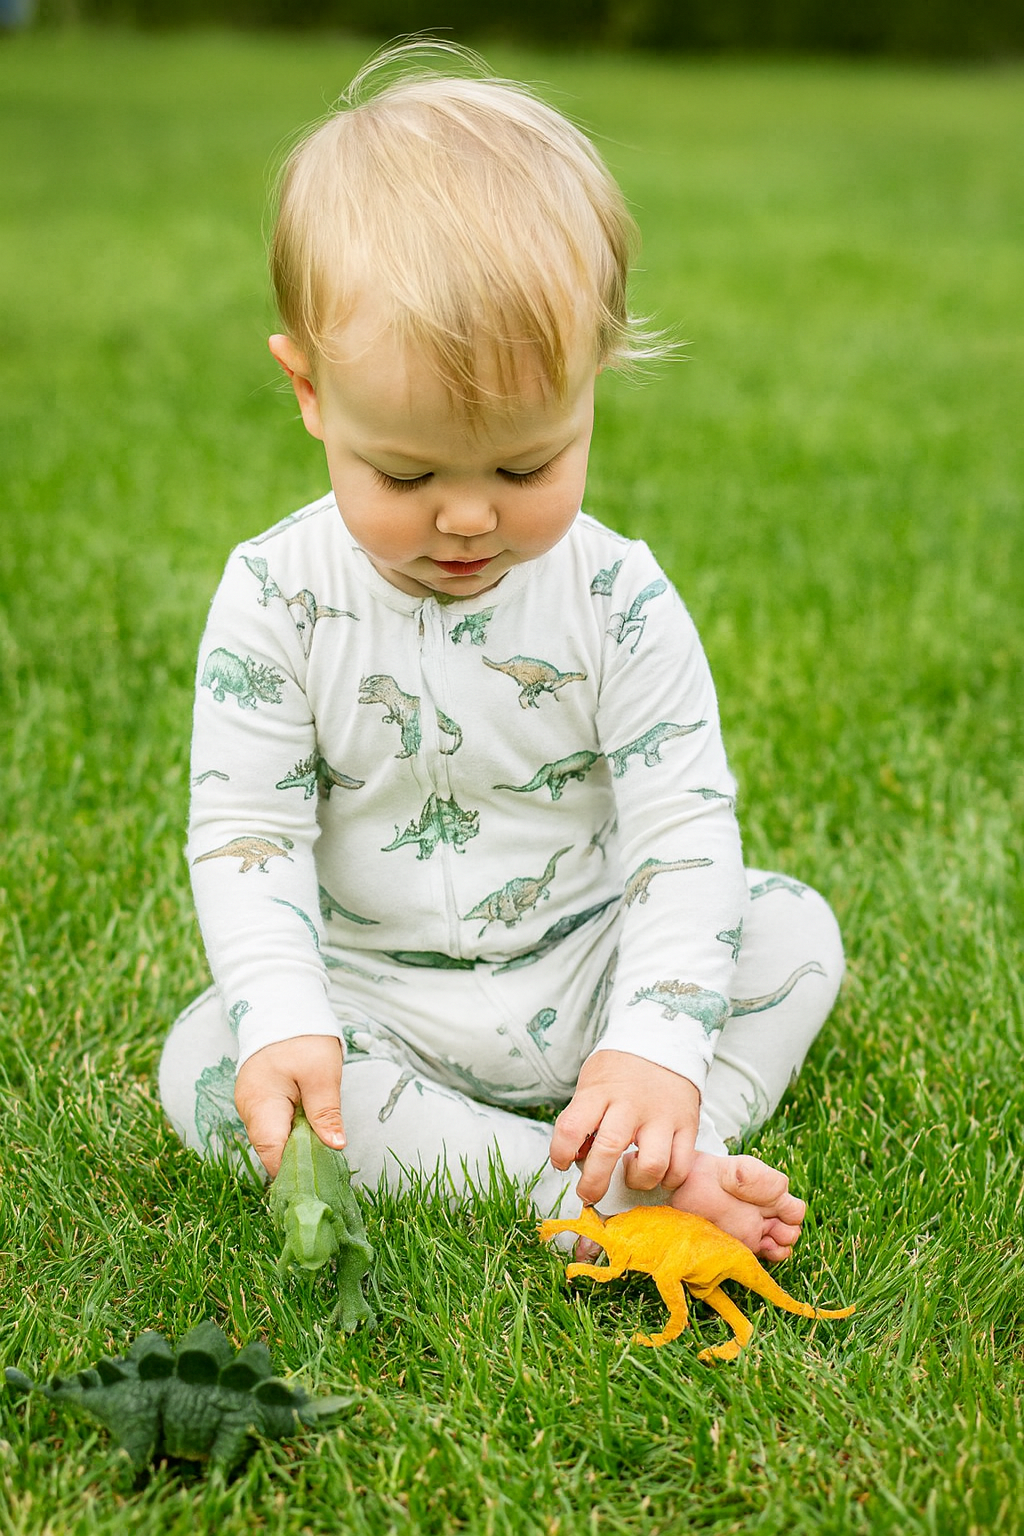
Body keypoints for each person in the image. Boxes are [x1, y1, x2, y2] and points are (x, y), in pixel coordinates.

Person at [159, 43, 844, 1263]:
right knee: (210, 1060)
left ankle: (666, 1129)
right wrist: (290, 1017)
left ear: (594, 385)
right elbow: (247, 831)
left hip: (591, 967)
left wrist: (655, 1040)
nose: (469, 517)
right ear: (309, 392)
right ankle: (572, 1186)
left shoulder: (618, 598)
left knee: (791, 928)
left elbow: (681, 828)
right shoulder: (273, 597)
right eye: (406, 474)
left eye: (526, 465)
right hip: (383, 1002)